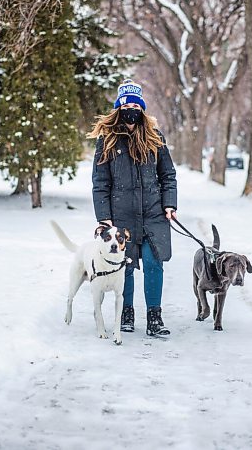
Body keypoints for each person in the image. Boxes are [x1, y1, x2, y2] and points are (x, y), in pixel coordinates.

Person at [87, 79, 177, 336]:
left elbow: (168, 175)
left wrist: (169, 203)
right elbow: (100, 183)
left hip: (153, 213)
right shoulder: (107, 141)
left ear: (141, 108)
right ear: (118, 107)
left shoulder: (155, 138)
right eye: (126, 104)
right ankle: (126, 312)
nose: (131, 108)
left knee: (153, 262)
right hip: (121, 216)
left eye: (135, 104)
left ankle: (154, 318)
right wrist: (104, 218)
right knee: (124, 265)